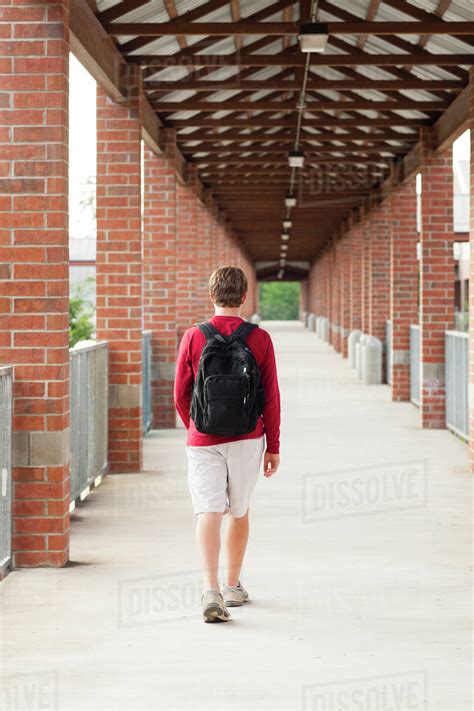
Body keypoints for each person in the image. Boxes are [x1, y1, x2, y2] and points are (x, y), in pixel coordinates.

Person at [174, 266, 281, 623]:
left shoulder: (194, 336)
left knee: (208, 511)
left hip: (203, 439)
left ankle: (211, 589)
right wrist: (273, 444)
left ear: (211, 295)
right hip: (248, 437)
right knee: (238, 509)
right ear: (244, 297)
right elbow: (271, 398)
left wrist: (197, 429)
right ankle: (234, 585)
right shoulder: (260, 338)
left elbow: (180, 393)